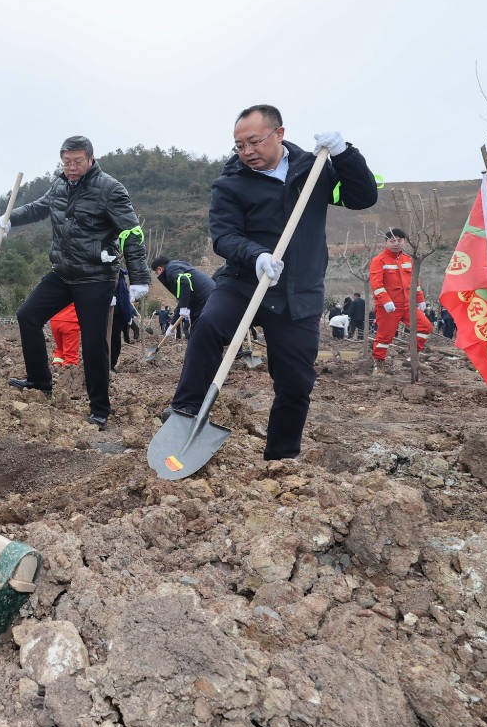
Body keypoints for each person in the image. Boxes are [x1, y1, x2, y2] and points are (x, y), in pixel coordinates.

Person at [163, 104, 378, 460]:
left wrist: (345, 155)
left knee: (295, 381)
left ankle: (281, 458)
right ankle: (185, 411)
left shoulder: (314, 169)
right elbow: (224, 236)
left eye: (254, 142)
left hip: (299, 291)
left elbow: (363, 197)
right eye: (239, 145)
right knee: (209, 325)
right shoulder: (230, 183)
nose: (247, 151)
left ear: (279, 134)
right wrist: (256, 255)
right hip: (244, 282)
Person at [0, 135, 150, 430]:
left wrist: (139, 277)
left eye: (77, 162)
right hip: (63, 272)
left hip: (96, 276)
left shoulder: (110, 189)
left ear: (91, 159)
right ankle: (40, 382)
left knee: (93, 341)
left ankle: (99, 408)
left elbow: (132, 232)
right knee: (28, 315)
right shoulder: (60, 185)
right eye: (66, 162)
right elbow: (39, 207)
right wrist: (9, 218)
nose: (70, 167)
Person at [369, 227, 431, 374]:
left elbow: (415, 282)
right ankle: (378, 365)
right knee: (384, 337)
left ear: (404, 242)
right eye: (392, 241)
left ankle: (412, 359)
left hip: (408, 305)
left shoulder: (408, 259)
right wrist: (385, 301)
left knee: (425, 327)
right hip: (388, 307)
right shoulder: (379, 260)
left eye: (399, 240)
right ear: (386, 242)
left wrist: (420, 299)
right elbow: (376, 284)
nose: (396, 243)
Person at [151, 256, 214, 342]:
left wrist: (183, 307)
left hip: (205, 299)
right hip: (208, 297)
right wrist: (172, 324)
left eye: (156, 273)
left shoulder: (171, 270)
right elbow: (182, 300)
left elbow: (184, 282)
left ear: (160, 269)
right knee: (197, 333)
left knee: (199, 334)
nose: (157, 275)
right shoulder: (177, 266)